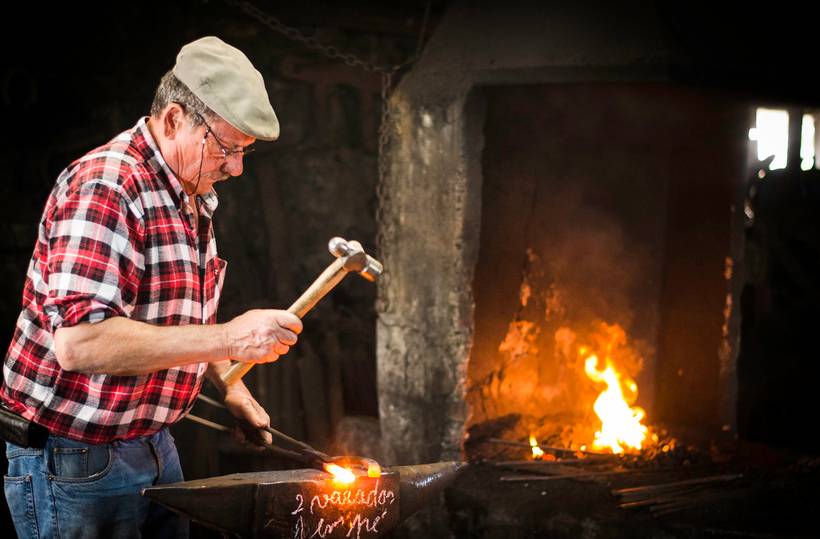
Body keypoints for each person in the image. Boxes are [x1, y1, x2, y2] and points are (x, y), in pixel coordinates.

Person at [1, 36, 302, 538]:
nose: (236, 167)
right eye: (226, 148)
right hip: (75, 457)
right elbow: (81, 343)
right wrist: (229, 337)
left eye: (244, 152)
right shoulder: (106, 188)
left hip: (153, 441)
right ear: (174, 120)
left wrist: (228, 383)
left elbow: (178, 317)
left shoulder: (188, 190)